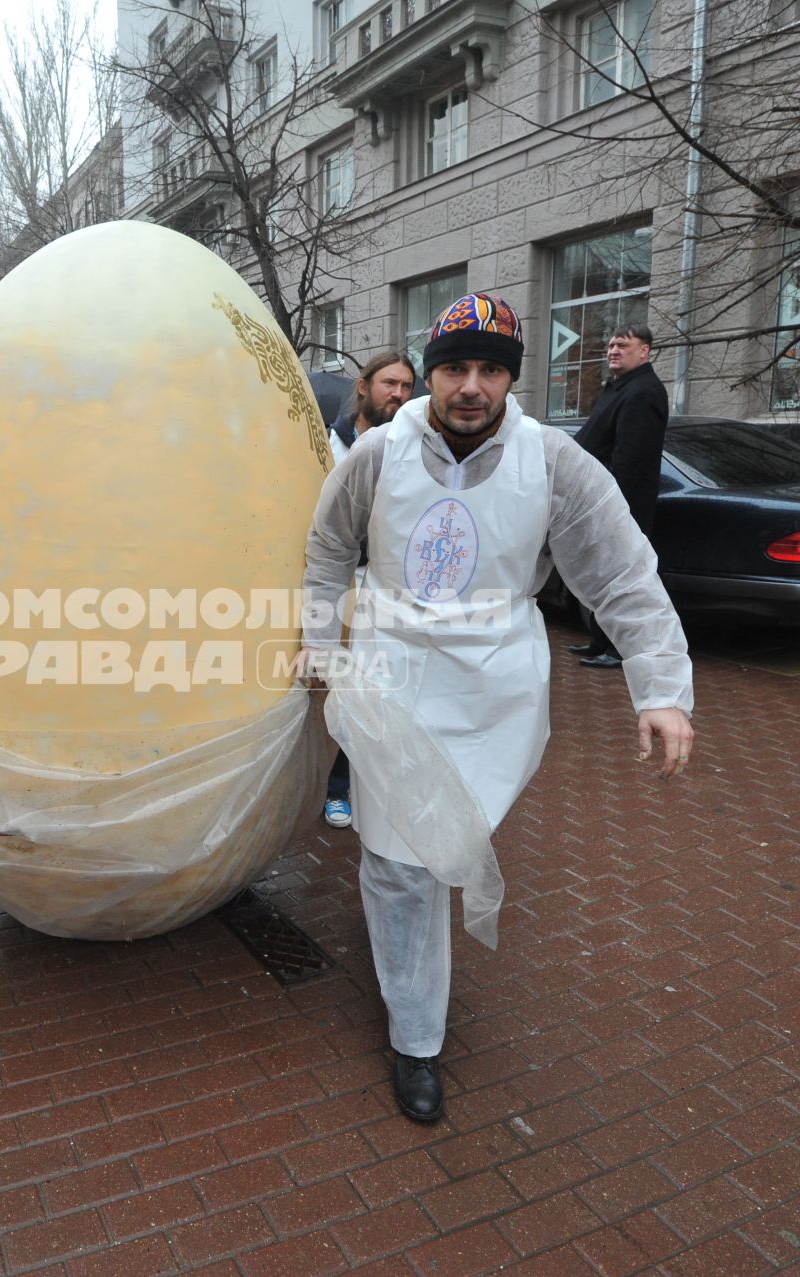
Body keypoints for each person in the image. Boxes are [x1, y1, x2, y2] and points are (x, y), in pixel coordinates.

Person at [301, 294, 695, 1123]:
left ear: (512, 376)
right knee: (399, 859)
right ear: (432, 373)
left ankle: (417, 980)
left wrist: (660, 689)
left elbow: (624, 574)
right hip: (392, 678)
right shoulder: (378, 453)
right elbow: (330, 545)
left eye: (489, 368)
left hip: (494, 697)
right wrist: (320, 640)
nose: (469, 385)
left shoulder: (552, 462)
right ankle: (416, 1039)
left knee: (447, 845)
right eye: (453, 367)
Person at [322, 353, 417, 829]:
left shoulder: (413, 449)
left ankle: (359, 785)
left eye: (406, 386)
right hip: (339, 582)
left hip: (383, 588)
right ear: (364, 387)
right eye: (389, 383)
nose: (398, 394)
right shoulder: (328, 444)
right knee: (334, 683)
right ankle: (331, 786)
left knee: (376, 685)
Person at [570, 323, 669, 669]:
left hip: (621, 504)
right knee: (601, 577)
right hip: (600, 499)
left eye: (622, 345)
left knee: (621, 580)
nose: (613, 350)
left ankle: (617, 649)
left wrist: (612, 505)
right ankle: (600, 640)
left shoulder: (643, 392)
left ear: (644, 351)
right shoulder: (618, 388)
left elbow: (631, 458)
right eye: (611, 344)